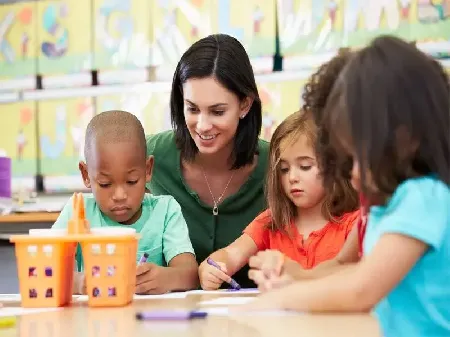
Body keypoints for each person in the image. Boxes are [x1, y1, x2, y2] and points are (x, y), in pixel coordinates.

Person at [242, 36, 450, 337]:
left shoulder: (424, 197)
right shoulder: (388, 206)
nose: (351, 175)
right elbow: (352, 270)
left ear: (405, 140)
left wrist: (282, 299)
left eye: (356, 159)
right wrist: (297, 280)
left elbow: (362, 288)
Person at [146, 34, 269, 287]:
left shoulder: (278, 164)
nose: (202, 126)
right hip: (167, 320)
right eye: (192, 108)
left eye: (217, 111)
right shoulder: (148, 157)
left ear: (245, 105)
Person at [198, 111, 359, 290]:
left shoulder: (354, 224)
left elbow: (358, 277)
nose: (292, 177)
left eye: (305, 166)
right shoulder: (271, 222)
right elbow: (231, 254)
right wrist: (212, 268)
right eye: (283, 169)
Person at [248, 48, 360, 290]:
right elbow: (341, 265)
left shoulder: (416, 201)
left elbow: (362, 285)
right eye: (284, 169)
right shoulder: (373, 213)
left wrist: (290, 282)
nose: (351, 173)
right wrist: (292, 276)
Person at [52, 110, 198, 295]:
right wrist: (79, 282)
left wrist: (166, 278)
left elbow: (191, 275)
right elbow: (46, 269)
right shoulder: (77, 210)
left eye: (131, 181)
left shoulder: (165, 210)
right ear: (86, 175)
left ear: (147, 170)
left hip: (151, 320)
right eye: (105, 184)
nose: (120, 195)